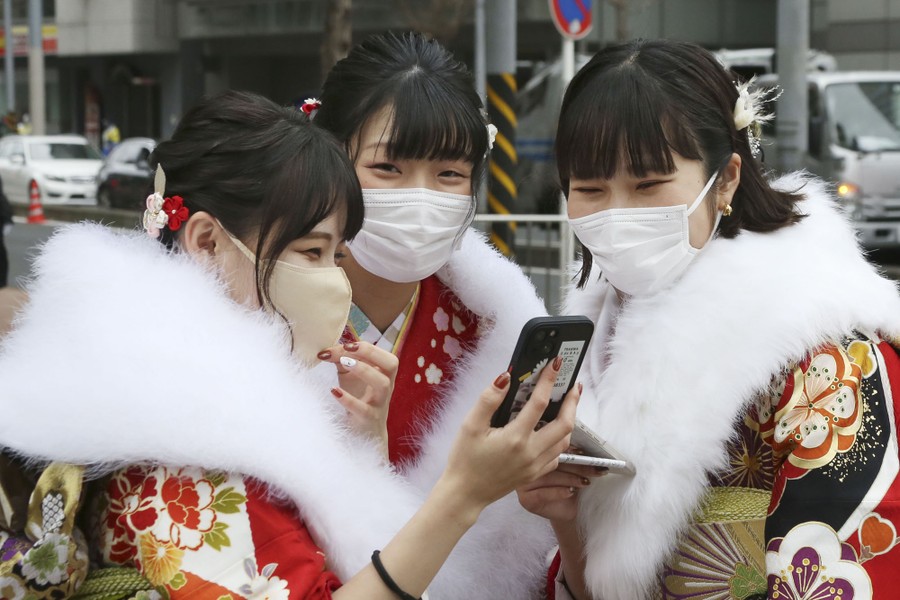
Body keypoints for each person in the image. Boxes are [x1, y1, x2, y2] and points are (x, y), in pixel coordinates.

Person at [0, 90, 579, 599]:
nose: (333, 280)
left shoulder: (187, 389)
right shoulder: (179, 444)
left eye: (336, 255)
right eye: (310, 252)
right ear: (205, 239)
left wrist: (362, 453)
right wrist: (464, 494)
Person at [523, 38, 900, 600]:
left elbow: (842, 569)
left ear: (725, 179)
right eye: (590, 189)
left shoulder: (826, 354)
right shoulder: (587, 348)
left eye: (648, 185)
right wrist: (562, 516)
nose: (617, 213)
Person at [315, 31, 588, 598]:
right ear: (331, 158)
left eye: (449, 175)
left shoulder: (490, 326)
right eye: (388, 167)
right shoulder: (279, 313)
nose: (421, 198)